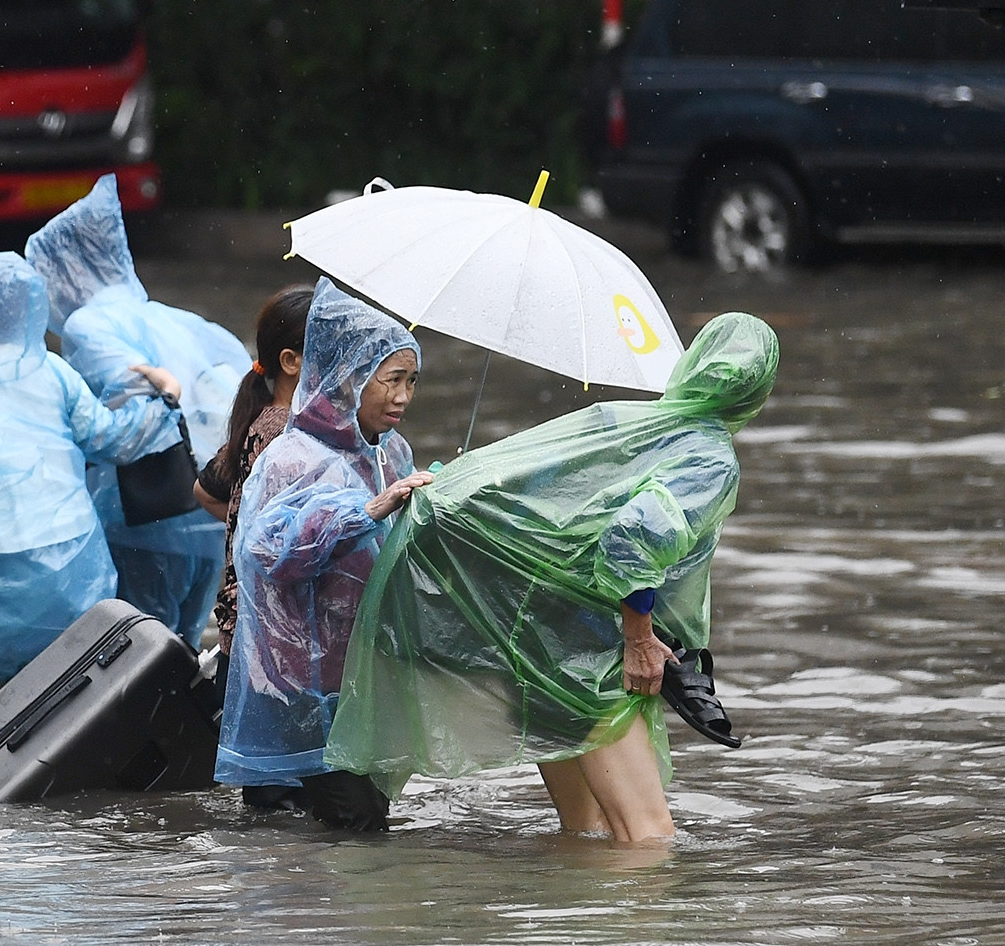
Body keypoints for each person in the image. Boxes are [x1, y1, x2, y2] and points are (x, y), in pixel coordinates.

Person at [324, 312, 780, 843]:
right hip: (577, 651)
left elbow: (536, 494)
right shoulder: (710, 458)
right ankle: (646, 929)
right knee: (648, 837)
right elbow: (631, 540)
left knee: (584, 830)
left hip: (521, 635)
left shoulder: (623, 420)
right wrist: (638, 640)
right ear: (758, 393)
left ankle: (567, 921)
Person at [0, 250, 184, 746]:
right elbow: (116, 440)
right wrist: (165, 398)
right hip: (88, 585)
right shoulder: (54, 370)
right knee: (49, 659)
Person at [218, 278, 432, 830]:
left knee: (355, 823)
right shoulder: (292, 453)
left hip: (362, 668)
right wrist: (366, 511)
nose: (403, 396)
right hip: (302, 678)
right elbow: (271, 553)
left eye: (412, 380)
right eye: (391, 381)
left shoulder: (390, 452)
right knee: (350, 828)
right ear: (349, 379)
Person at [25, 174, 251, 648]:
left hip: (145, 527)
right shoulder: (181, 321)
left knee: (135, 663)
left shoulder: (87, 327)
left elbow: (128, 432)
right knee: (182, 656)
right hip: (212, 517)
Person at [194, 285, 312, 663]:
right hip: (266, 635)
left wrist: (242, 523)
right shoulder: (286, 437)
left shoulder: (260, 420)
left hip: (245, 622)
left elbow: (207, 489)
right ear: (291, 361)